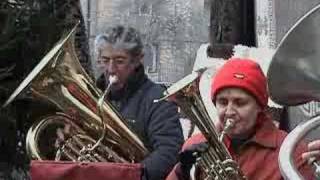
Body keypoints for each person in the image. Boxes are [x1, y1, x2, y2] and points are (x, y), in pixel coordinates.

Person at [166, 58, 314, 180]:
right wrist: (182, 171)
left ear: (259, 106)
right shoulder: (196, 145)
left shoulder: (291, 151)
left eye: (240, 102)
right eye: (223, 102)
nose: (229, 111)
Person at [94, 25, 184, 180]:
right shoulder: (95, 95)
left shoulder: (158, 99)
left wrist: (131, 176)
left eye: (119, 61)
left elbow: (169, 151)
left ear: (137, 60)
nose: (111, 68)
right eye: (105, 60)